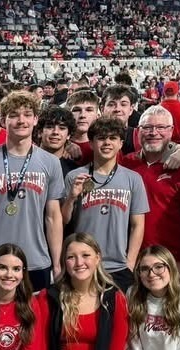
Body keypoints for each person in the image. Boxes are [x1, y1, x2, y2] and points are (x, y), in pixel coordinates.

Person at [0, 91, 64, 295]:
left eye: (27, 114)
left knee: (36, 323)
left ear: (36, 119)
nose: (21, 120)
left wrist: (57, 262)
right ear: (3, 119)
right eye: (14, 115)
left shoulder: (50, 163)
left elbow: (53, 217)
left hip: (36, 260)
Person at [62, 117, 149, 291]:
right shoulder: (75, 176)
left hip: (119, 266)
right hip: (84, 264)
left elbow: (137, 225)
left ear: (121, 144)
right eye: (101, 138)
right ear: (92, 143)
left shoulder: (133, 179)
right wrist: (71, 197)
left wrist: (130, 262)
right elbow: (64, 220)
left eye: (112, 138)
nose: (107, 143)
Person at [121, 106, 180, 278]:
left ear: (171, 131)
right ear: (138, 131)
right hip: (131, 260)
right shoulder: (126, 163)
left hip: (169, 260)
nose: (153, 132)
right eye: (147, 127)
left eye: (161, 127)